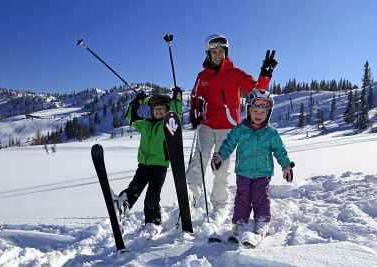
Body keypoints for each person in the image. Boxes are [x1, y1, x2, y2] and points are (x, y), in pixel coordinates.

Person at [187, 33, 277, 216]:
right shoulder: (202, 75)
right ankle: (190, 197)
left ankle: (219, 205)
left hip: (228, 128)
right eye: (215, 52)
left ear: (226, 53)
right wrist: (195, 114)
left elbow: (256, 91)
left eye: (222, 51)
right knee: (199, 159)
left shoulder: (236, 73)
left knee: (221, 167)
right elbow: (196, 97)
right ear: (208, 54)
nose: (219, 55)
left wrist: (265, 74)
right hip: (206, 125)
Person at [211, 89, 293, 237]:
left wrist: (286, 165)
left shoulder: (271, 133)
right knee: (242, 198)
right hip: (243, 171)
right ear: (249, 110)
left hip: (263, 172)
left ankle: (262, 221)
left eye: (263, 112)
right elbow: (228, 144)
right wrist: (220, 156)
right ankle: (240, 222)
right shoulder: (240, 130)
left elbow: (280, 150)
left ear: (268, 113)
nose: (258, 115)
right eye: (255, 111)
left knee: (260, 197)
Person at [115, 87, 182, 233]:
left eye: (161, 109)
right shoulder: (145, 124)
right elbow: (130, 117)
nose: (158, 111)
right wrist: (137, 102)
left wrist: (176, 99)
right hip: (143, 166)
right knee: (134, 188)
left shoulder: (168, 126)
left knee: (151, 198)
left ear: (167, 110)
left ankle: (153, 223)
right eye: (155, 109)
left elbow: (176, 115)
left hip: (160, 167)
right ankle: (123, 205)